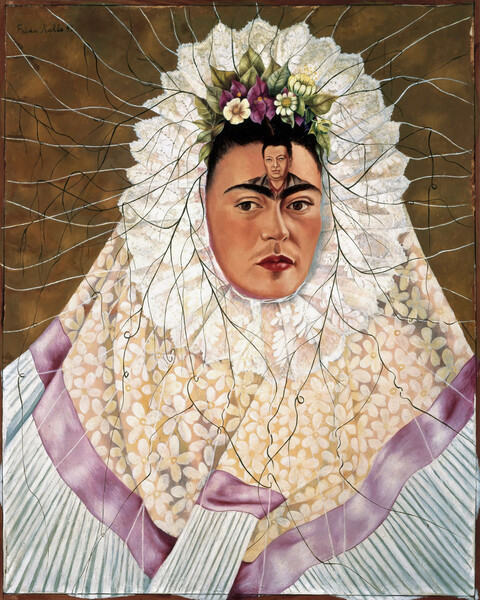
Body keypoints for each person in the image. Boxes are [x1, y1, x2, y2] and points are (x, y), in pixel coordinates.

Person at [2, 16, 476, 600]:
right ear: (195, 209)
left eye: (299, 203)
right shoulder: (119, 361)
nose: (278, 230)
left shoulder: (396, 369)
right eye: (249, 203)